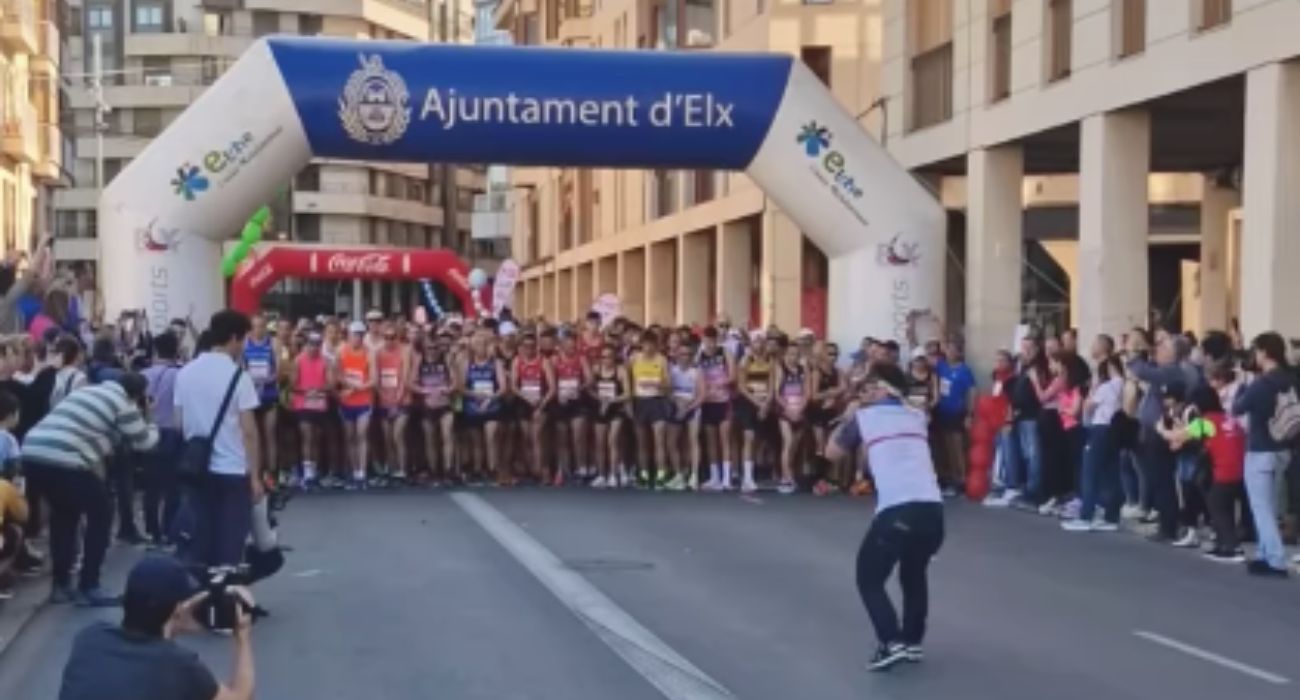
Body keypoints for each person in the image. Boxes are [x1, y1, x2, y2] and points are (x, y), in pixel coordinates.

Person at [826, 363, 943, 671]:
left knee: (868, 577)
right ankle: (912, 641)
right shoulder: (917, 416)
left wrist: (850, 416)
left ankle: (890, 642)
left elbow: (832, 452)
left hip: (898, 509)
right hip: (933, 509)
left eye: (870, 385)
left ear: (883, 389)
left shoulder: (864, 418)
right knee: (913, 574)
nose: (864, 390)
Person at [23, 373, 159, 606]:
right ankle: (90, 585)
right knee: (101, 515)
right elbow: (145, 442)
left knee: (64, 515)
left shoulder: (86, 392)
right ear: (136, 395)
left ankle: (61, 584)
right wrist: (151, 418)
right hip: (66, 460)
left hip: (33, 451)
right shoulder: (123, 404)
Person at [58, 556, 255, 700]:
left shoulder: (89, 639)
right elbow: (240, 696)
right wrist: (242, 638)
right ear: (177, 611)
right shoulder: (178, 665)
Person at [174, 311, 263, 572]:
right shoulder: (239, 377)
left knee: (200, 540)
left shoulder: (185, 373)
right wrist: (255, 475)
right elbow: (249, 432)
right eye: (244, 339)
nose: (244, 345)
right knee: (230, 544)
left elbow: (179, 424)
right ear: (234, 338)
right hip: (232, 469)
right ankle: (227, 601)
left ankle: (198, 601)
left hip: (196, 470)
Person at [1232, 332, 1293, 577]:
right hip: (1284, 447)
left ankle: (1275, 559)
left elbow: (1238, 407)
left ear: (1265, 353)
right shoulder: (1290, 379)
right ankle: (1266, 553)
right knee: (1272, 506)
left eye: (1256, 351)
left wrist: (1243, 384)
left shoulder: (1262, 383)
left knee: (1262, 507)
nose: (1254, 356)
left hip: (1260, 448)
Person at [1063, 355, 1125, 532]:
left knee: (1089, 471)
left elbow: (1088, 408)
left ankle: (1086, 515)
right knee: (1111, 473)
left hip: (1099, 428)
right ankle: (1111, 516)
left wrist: (1092, 390)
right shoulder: (1123, 385)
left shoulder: (1106, 387)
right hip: (1114, 429)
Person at [141, 331, 184, 547]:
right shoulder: (181, 374)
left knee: (151, 485)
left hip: (147, 430)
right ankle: (169, 528)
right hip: (171, 431)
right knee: (172, 486)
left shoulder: (144, 374)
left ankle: (151, 529)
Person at [628, 330, 671, 488]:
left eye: (652, 344)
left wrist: (655, 384)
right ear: (641, 345)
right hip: (639, 402)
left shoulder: (662, 360)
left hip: (657, 401)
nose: (648, 348)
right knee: (642, 442)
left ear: (656, 345)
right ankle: (644, 475)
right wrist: (628, 404)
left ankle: (661, 475)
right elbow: (627, 382)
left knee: (659, 440)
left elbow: (668, 384)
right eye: (645, 344)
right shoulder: (633, 359)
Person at [411, 334, 456, 484]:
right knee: (430, 439)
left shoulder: (446, 360)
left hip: (444, 403)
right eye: (429, 348)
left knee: (447, 435)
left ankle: (448, 470)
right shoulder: (419, 361)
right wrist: (424, 391)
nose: (432, 351)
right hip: (428, 404)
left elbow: (456, 382)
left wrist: (446, 390)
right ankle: (433, 470)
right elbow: (411, 383)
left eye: (435, 348)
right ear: (424, 348)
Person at [933, 342, 976, 497]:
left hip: (957, 412)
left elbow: (971, 392)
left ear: (959, 352)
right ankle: (951, 478)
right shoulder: (941, 367)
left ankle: (962, 479)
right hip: (942, 412)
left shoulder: (964, 370)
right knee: (946, 447)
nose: (950, 353)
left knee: (957, 446)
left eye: (953, 350)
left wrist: (970, 414)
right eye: (948, 349)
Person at [733, 334, 774, 494]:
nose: (759, 344)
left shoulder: (769, 361)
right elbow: (742, 387)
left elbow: (771, 386)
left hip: (763, 403)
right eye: (756, 341)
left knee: (758, 440)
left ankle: (752, 474)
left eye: (761, 341)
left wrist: (766, 404)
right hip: (748, 403)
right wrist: (757, 403)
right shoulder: (745, 360)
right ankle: (747, 478)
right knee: (748, 437)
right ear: (751, 343)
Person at [242, 316, 280, 489]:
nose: (258, 330)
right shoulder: (245, 343)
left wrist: (270, 378)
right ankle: (254, 474)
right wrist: (250, 380)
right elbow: (241, 368)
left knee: (270, 435)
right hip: (251, 394)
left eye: (262, 326)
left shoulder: (273, 343)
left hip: (268, 393)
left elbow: (279, 370)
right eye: (255, 326)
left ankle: (271, 474)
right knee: (253, 436)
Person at [288, 331, 330, 486]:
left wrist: (319, 389)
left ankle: (315, 469)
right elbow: (292, 384)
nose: (314, 348)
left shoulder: (325, 361)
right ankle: (307, 472)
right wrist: (306, 391)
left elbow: (330, 383)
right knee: (307, 435)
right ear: (306, 345)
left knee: (317, 438)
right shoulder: (298, 360)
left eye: (317, 344)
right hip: (303, 403)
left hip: (319, 404)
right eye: (311, 344)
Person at [337, 321, 376, 487]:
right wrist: (349, 386)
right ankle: (354, 471)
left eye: (360, 334)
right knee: (349, 436)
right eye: (355, 334)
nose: (358, 338)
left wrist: (358, 387)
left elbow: (374, 380)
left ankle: (362, 472)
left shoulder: (369, 353)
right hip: (346, 400)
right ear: (349, 335)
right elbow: (337, 375)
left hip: (364, 401)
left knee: (362, 435)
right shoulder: (341, 350)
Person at [697, 327, 735, 491]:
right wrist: (704, 388)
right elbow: (697, 377)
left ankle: (727, 478)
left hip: (724, 401)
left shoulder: (725, 353)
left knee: (725, 439)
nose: (710, 345)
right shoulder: (700, 355)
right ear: (703, 341)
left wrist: (719, 384)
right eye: (706, 341)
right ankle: (715, 477)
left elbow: (733, 375)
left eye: (712, 341)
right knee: (711, 441)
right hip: (708, 402)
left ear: (716, 340)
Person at [550, 331, 590, 483]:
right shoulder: (555, 359)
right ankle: (565, 470)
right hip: (561, 400)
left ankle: (581, 468)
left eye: (573, 344)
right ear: (561, 345)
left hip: (577, 401)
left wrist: (578, 388)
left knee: (578, 435)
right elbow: (550, 380)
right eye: (567, 344)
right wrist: (559, 394)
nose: (571, 347)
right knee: (562, 437)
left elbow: (589, 379)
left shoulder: (581, 358)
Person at [588, 345, 629, 489]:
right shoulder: (596, 369)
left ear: (614, 357)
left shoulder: (621, 370)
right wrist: (599, 398)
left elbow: (627, 393)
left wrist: (611, 400)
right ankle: (601, 475)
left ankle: (613, 474)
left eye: (609, 356)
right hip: (601, 409)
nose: (606, 360)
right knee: (600, 443)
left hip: (616, 409)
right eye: (603, 357)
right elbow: (590, 389)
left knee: (613, 441)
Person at [665, 341, 703, 491]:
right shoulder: (671, 370)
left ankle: (694, 475)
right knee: (671, 442)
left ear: (692, 356)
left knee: (693, 440)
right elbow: (667, 391)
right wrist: (676, 402)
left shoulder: (697, 371)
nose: (685, 357)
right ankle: (678, 475)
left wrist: (688, 408)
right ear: (677, 355)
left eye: (688, 354)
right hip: (675, 407)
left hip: (692, 407)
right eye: (682, 354)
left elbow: (702, 394)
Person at [374, 322, 410, 482]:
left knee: (398, 435)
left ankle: (402, 469)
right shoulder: (377, 353)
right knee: (387, 437)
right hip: (383, 399)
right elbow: (376, 379)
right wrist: (382, 397)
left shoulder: (404, 352)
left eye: (393, 337)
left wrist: (398, 398)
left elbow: (405, 377)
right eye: (386, 337)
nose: (389, 340)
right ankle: (392, 467)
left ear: (397, 337)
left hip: (401, 400)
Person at [774, 339, 810, 495]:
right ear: (785, 355)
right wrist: (788, 410)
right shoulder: (780, 368)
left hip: (800, 410)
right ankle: (785, 477)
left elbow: (807, 392)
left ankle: (791, 473)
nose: (792, 357)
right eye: (789, 354)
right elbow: (776, 393)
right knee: (787, 443)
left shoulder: (803, 370)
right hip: (785, 410)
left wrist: (800, 409)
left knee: (795, 446)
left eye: (795, 354)